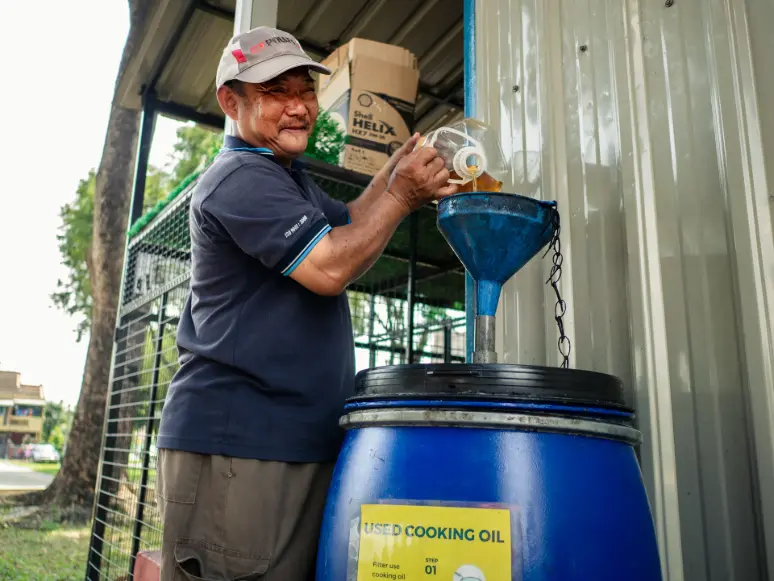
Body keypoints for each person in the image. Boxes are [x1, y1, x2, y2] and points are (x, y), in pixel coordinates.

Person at [154, 25, 456, 581]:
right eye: (276, 92)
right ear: (231, 102)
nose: (298, 107)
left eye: (306, 91)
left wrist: (395, 172)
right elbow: (331, 266)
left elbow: (353, 223)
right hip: (240, 448)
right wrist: (403, 194)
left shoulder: (285, 177)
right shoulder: (241, 177)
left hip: (286, 444)